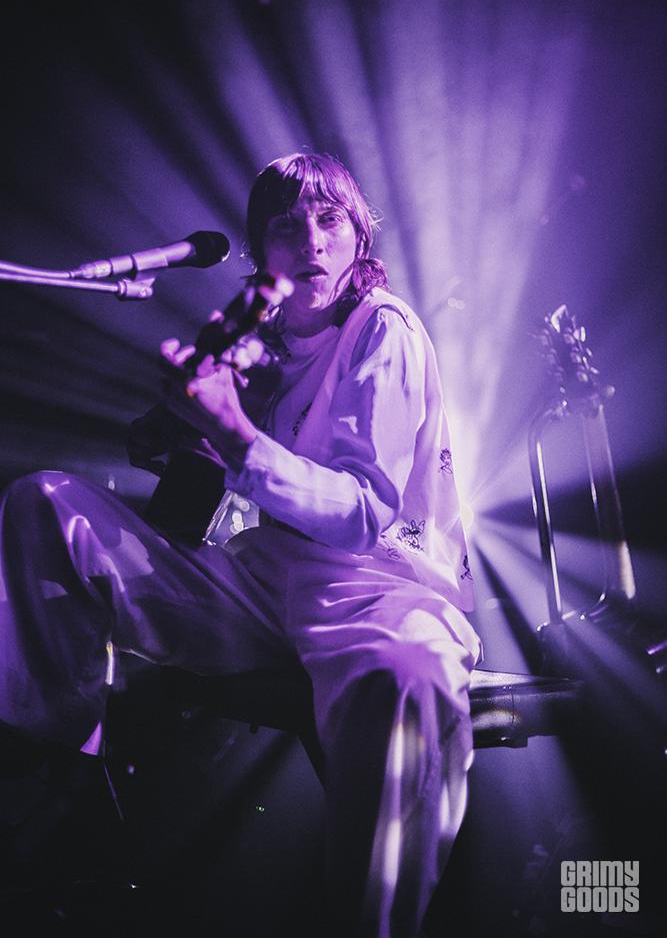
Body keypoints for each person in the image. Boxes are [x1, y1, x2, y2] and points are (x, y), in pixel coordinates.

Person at [0, 152, 481, 937]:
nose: (313, 242)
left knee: (409, 675)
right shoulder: (254, 345)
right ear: (262, 253)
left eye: (330, 221)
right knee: (46, 503)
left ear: (360, 236)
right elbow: (195, 505)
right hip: (263, 584)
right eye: (288, 228)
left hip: (376, 589)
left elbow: (362, 511)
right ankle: (62, 785)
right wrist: (181, 436)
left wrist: (233, 437)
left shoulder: (380, 328)